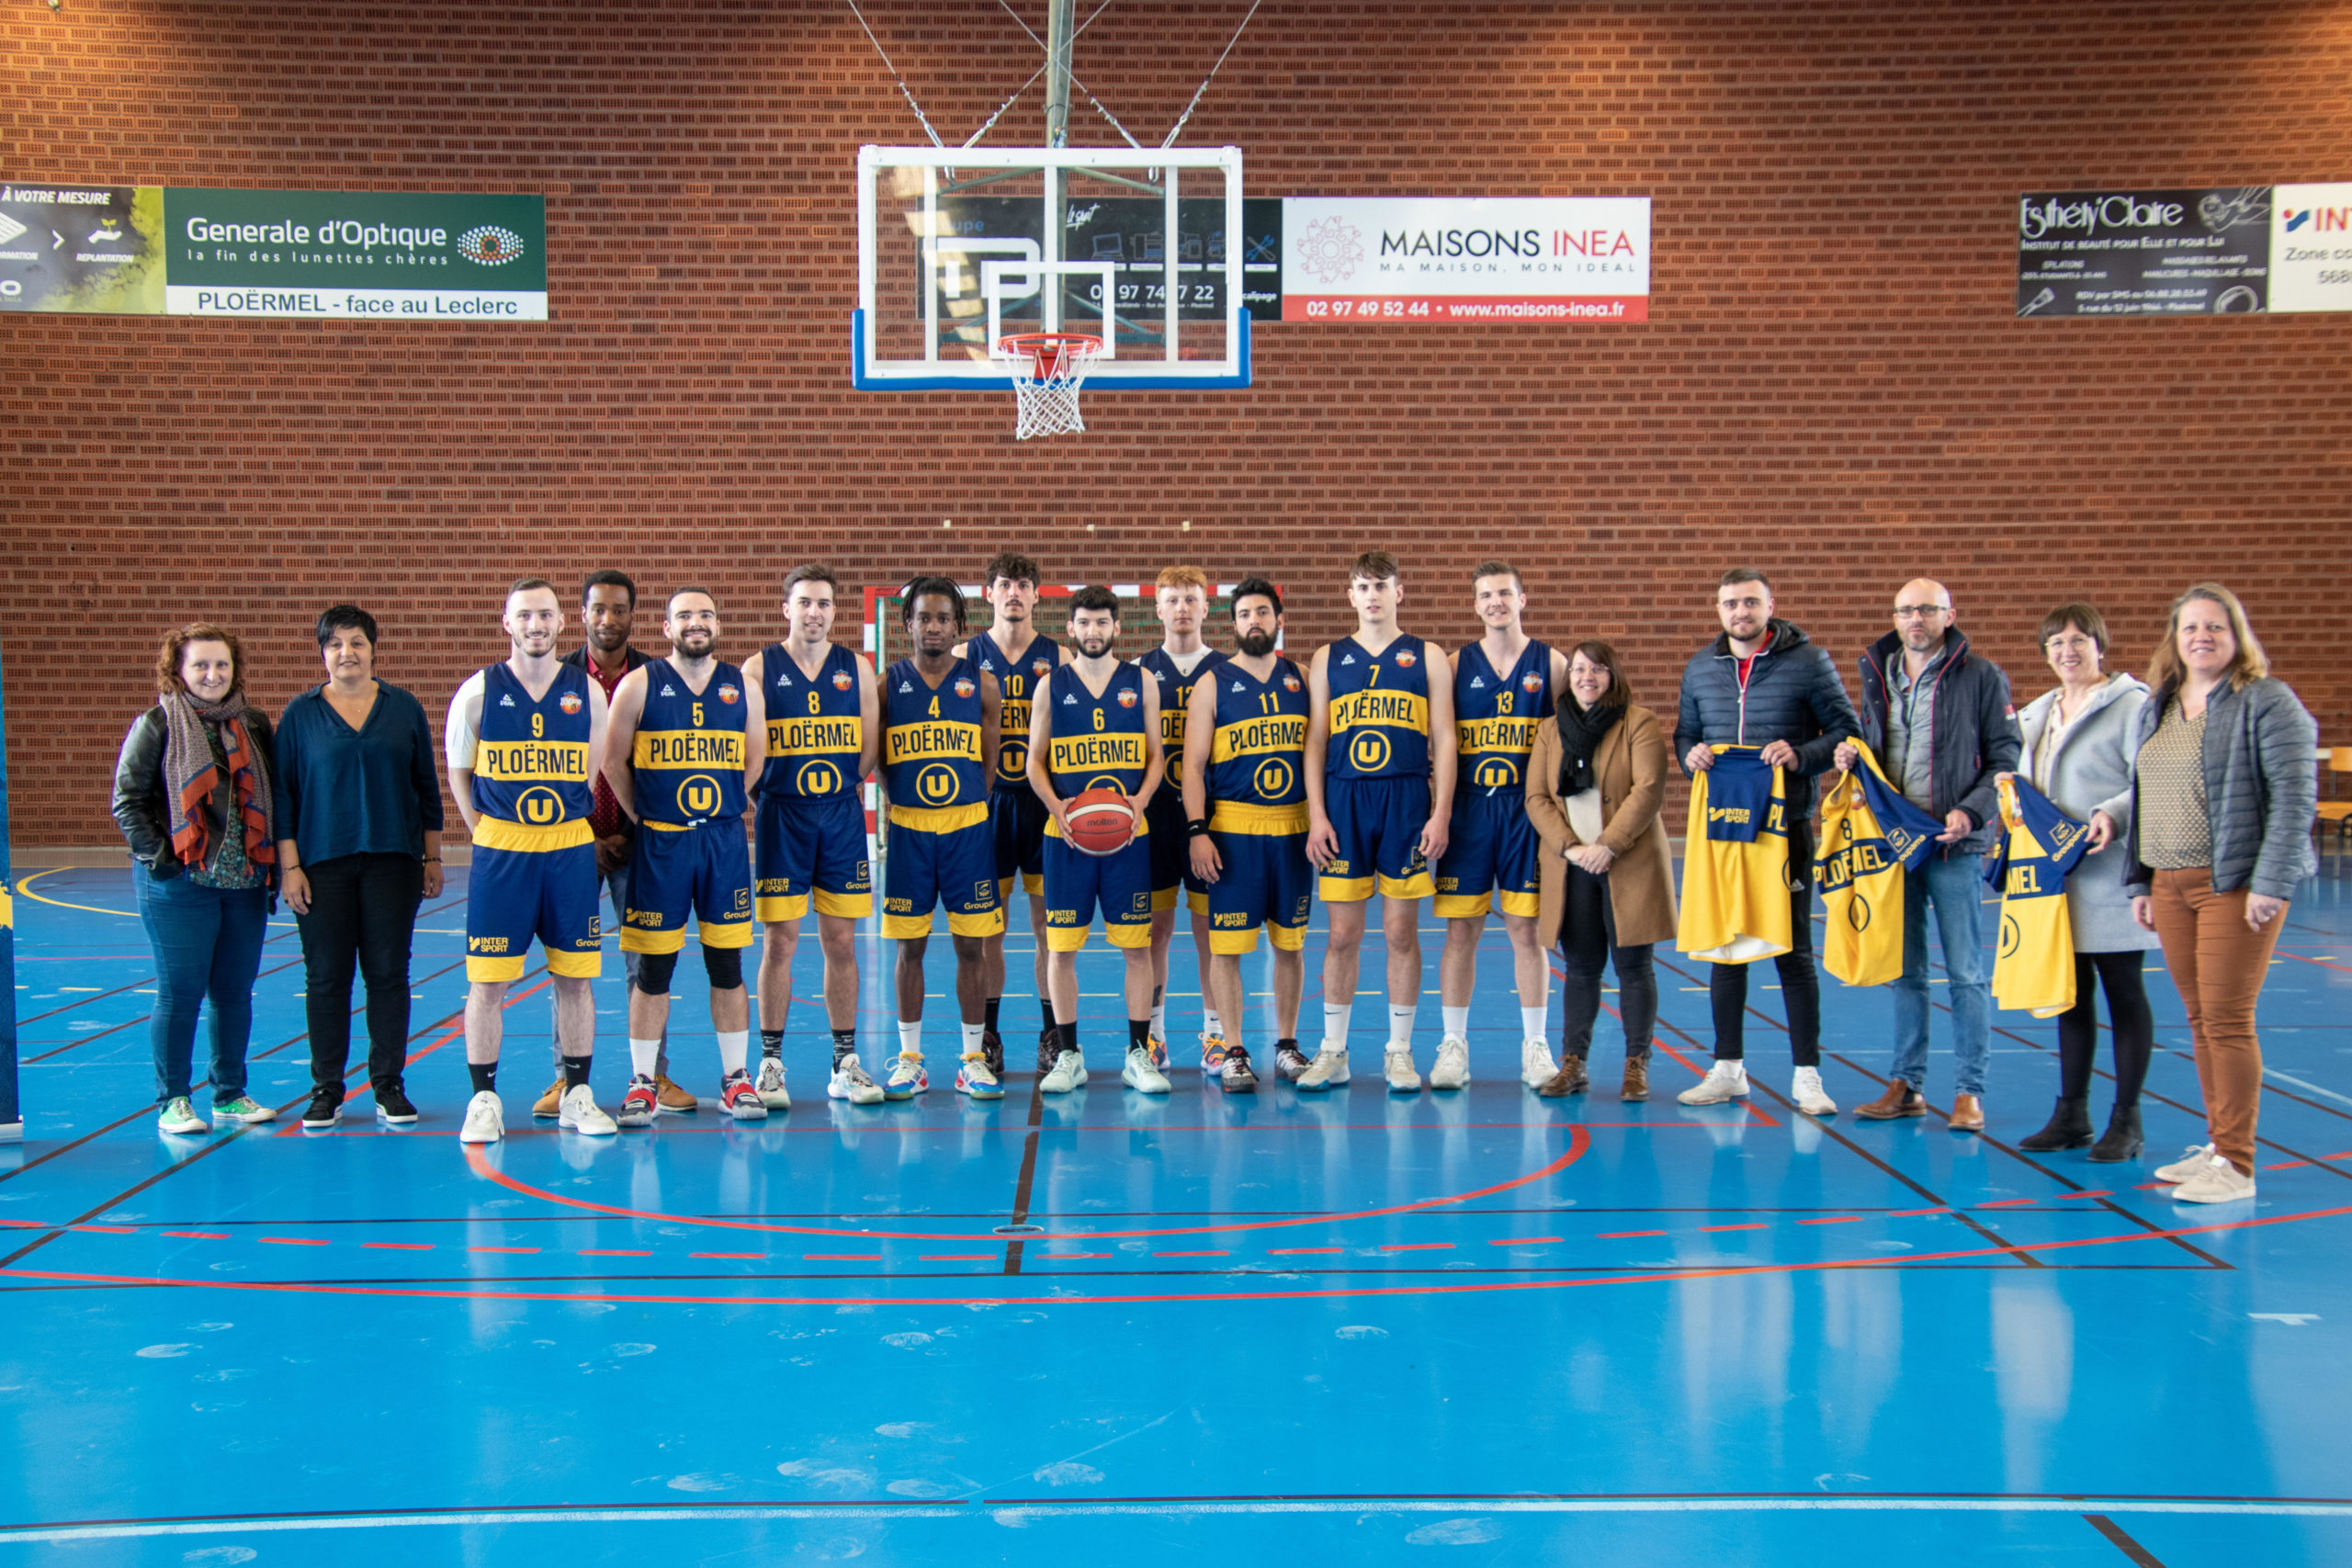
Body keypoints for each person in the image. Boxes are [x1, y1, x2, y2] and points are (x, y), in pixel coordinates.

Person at [2127, 583, 2315, 1204]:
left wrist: (2271, 880)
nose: (2202, 637)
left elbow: (2294, 797)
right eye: (2190, 628)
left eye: (2215, 627)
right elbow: (2143, 796)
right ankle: (2217, 1143)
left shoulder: (2266, 701)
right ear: (2174, 639)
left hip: (2233, 882)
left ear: (2237, 637)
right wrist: (2141, 880)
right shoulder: (2161, 705)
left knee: (2229, 1020)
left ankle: (2237, 1163)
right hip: (2170, 882)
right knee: (2201, 1019)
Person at [1674, 568, 1859, 1115]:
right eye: (1730, 603)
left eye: (1750, 602)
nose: (1740, 612)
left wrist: (1801, 755)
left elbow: (1847, 730)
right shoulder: (1701, 668)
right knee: (1726, 948)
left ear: (1770, 605)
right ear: (1718, 609)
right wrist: (1692, 755)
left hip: (1785, 828)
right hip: (1722, 833)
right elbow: (1687, 733)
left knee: (1792, 951)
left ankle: (1807, 1076)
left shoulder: (1808, 662)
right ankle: (1728, 1069)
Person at [1837, 579, 2018, 1133]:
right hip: (1895, 847)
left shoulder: (1981, 676)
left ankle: (1969, 1092)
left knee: (1965, 973)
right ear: (1895, 618)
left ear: (1949, 615)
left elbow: (2006, 756)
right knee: (1907, 971)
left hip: (1954, 846)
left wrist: (1972, 811)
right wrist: (1852, 755)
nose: (1916, 619)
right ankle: (1907, 1083)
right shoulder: (1878, 674)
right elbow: (1872, 746)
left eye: (1927, 610)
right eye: (1906, 610)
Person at [446, 580, 616, 1142]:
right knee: (487, 983)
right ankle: (484, 1101)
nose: (536, 625)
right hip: (503, 851)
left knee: (575, 979)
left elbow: (590, 773)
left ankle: (577, 1095)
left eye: (545, 615)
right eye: (525, 616)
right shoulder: (477, 692)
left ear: (561, 622)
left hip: (567, 848)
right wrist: (490, 835)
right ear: (507, 623)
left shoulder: (588, 694)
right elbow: (460, 774)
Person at [273, 604, 445, 1130]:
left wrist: (432, 855)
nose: (346, 653)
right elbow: (283, 794)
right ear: (322, 652)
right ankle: (326, 1088)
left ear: (374, 648)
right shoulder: (300, 715)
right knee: (326, 978)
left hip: (393, 863)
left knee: (388, 976)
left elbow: (425, 786)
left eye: (357, 643)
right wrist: (290, 867)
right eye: (335, 644)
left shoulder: (403, 707)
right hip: (321, 866)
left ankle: (389, 1085)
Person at [604, 588, 768, 1123]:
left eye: (705, 615)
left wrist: (721, 808)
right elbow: (611, 762)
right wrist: (644, 816)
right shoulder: (638, 685)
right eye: (684, 616)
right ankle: (643, 1082)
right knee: (653, 968)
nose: (695, 623)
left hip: (721, 842)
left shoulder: (742, 687)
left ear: (718, 623)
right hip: (662, 843)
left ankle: (736, 1079)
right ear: (666, 626)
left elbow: (753, 761)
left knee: (728, 965)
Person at [111, 623, 282, 1134]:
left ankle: (229, 1094)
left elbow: (270, 791)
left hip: (244, 881)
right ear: (178, 670)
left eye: (222, 664)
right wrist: (165, 862)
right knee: (180, 994)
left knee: (234, 993)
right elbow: (129, 801)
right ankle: (174, 1100)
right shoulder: (158, 724)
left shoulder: (252, 722)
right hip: (181, 884)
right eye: (201, 665)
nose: (213, 674)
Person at [1302, 550, 1457, 1093]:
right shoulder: (1328, 657)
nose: (1372, 595)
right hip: (1345, 801)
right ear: (1350, 595)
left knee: (1399, 932)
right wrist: (1316, 814)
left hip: (1406, 800)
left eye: (1381, 586)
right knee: (1342, 936)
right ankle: (1334, 1050)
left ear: (1399, 592)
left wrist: (1440, 812)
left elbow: (1444, 739)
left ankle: (1398, 1050)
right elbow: (1316, 741)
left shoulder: (1428, 655)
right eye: (1363, 587)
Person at [2007, 604, 2157, 1161]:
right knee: (2069, 999)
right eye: (2056, 644)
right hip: (2053, 880)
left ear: (2100, 645)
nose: (2067, 652)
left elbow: (2149, 778)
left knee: (2123, 994)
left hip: (2109, 873)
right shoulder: (2035, 713)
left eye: (2078, 641)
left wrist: (2113, 813)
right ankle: (2071, 1113)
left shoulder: (2132, 706)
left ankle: (2128, 1120)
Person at [544, 570, 692, 1120]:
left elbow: (665, 764)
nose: (608, 620)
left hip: (638, 841)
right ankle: (565, 1080)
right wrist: (584, 836)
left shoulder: (657, 678)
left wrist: (629, 831)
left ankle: (650, 1075)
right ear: (580, 615)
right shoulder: (554, 679)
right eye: (597, 609)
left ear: (634, 616)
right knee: (568, 965)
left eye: (619, 610)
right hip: (571, 842)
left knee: (645, 963)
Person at [744, 565, 884, 1107]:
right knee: (780, 942)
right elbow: (750, 749)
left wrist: (841, 791)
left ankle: (844, 1061)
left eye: (824, 603)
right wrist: (766, 797)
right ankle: (771, 1063)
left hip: (841, 817)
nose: (814, 612)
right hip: (783, 817)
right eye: (804, 602)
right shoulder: (759, 667)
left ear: (834, 611)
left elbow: (868, 751)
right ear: (786, 608)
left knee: (842, 943)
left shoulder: (857, 667)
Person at [1026, 587, 1169, 1094]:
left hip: (1129, 833)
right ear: (1070, 628)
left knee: (1138, 948)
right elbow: (1033, 762)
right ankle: (1069, 1055)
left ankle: (1138, 1054)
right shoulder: (1051, 687)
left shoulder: (1141, 681)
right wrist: (1057, 807)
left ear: (1117, 628)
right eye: (1084, 623)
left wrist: (1140, 801)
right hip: (1066, 837)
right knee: (1061, 950)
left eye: (1102, 623)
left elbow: (1157, 755)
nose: (1093, 632)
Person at [1435, 560, 1567, 1089]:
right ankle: (1453, 1046)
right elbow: (1439, 743)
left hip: (1525, 811)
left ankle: (1535, 1047)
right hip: (1469, 812)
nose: (1496, 602)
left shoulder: (1552, 663)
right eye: (1486, 595)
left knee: (1526, 931)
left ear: (1523, 599)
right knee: (1460, 931)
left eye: (1505, 593)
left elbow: (1567, 740)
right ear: (1475, 605)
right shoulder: (1452, 663)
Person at [1523, 641, 1676, 1100]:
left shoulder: (1639, 722)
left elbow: (1648, 790)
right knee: (1583, 969)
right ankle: (1574, 1063)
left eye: (1598, 669)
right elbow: (1537, 798)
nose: (1587, 677)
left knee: (1634, 966)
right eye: (1580, 669)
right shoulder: (1551, 730)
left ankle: (1636, 1065)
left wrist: (1607, 846)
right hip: (1572, 868)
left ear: (1614, 676)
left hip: (1627, 862)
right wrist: (1571, 848)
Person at [1183, 578, 1314, 1089]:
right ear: (1233, 624)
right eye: (1244, 614)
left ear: (1279, 620)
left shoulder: (1302, 678)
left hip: (1293, 829)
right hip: (1235, 829)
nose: (1254, 621)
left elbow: (1318, 757)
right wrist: (1198, 831)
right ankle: (1234, 1050)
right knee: (1227, 948)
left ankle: (1286, 1045)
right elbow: (1193, 766)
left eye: (1263, 612)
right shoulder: (1213, 683)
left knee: (1290, 945)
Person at [881, 576, 1006, 1100]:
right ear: (907, 624)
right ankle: (910, 1058)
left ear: (959, 627)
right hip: (910, 830)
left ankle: (973, 1058)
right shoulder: (887, 684)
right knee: (910, 948)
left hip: (967, 830)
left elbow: (990, 762)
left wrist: (966, 804)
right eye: (923, 618)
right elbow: (883, 762)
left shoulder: (982, 684)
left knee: (971, 948)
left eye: (942, 619)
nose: (933, 627)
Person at [958, 550, 1070, 1075]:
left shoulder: (1062, 656)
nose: (1014, 593)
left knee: (1050, 929)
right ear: (989, 594)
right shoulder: (964, 654)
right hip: (989, 805)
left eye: (1024, 584)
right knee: (989, 932)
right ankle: (991, 1034)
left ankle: (1052, 1033)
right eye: (1005, 584)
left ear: (1036, 595)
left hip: (1045, 806)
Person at [1137, 565, 1225, 1070]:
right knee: (1156, 929)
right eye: (1172, 600)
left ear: (1206, 606)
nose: (1182, 609)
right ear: (1157, 608)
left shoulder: (1227, 670)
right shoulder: (1140, 672)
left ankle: (1214, 1034)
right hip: (1155, 819)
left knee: (1209, 929)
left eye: (1191, 599)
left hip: (1212, 818)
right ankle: (1152, 1033)